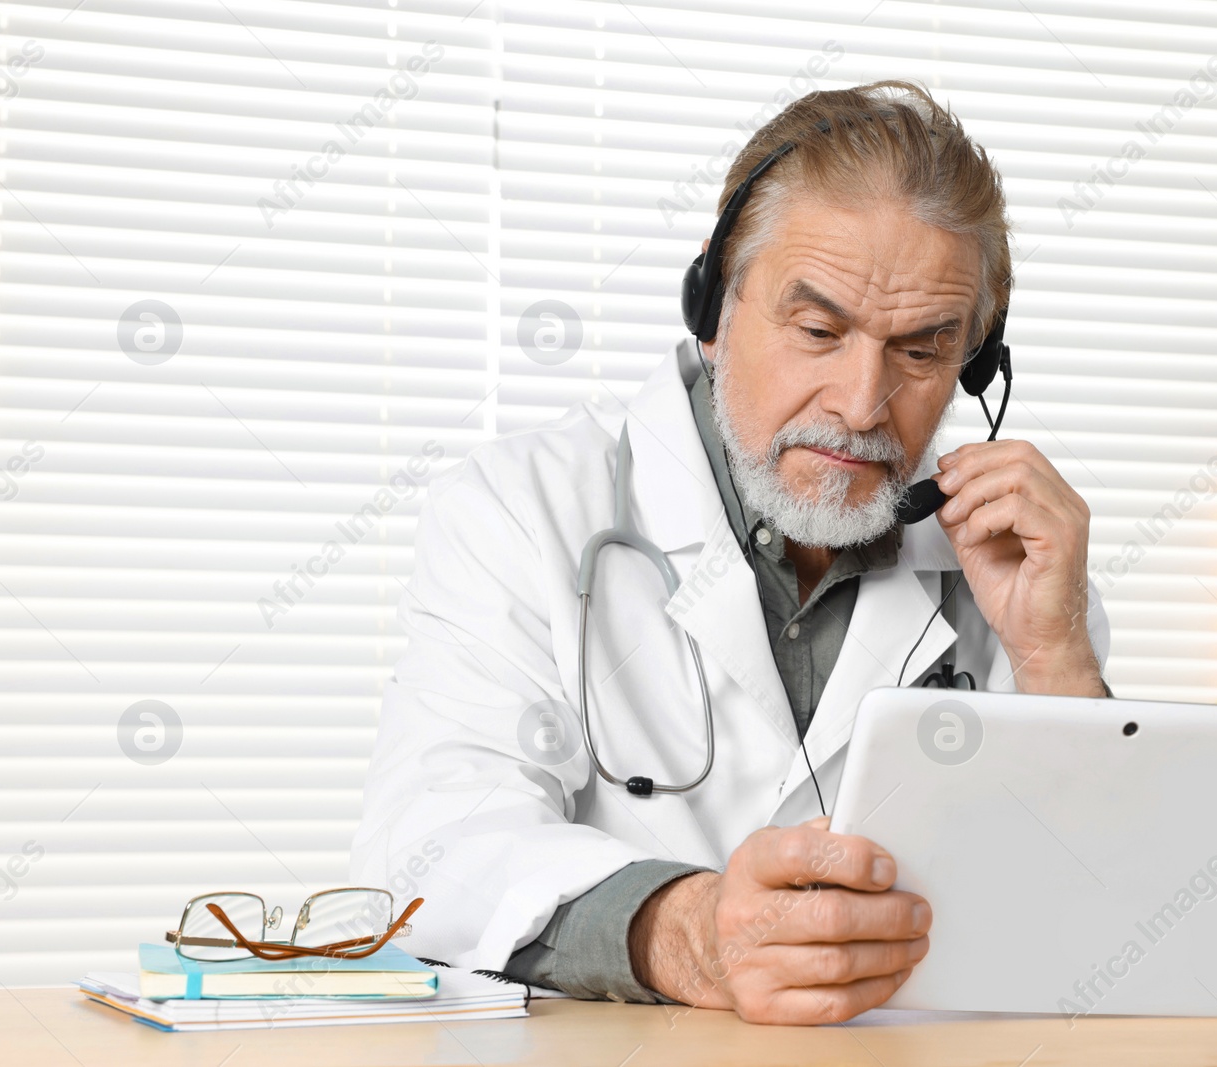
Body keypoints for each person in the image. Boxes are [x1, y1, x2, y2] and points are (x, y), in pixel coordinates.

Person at [351, 80, 1109, 1026]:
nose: (862, 402)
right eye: (819, 331)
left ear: (975, 363)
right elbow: (429, 849)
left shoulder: (1013, 567)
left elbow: (1110, 923)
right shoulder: (521, 508)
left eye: (921, 352)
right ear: (711, 304)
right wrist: (691, 933)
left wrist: (1057, 656)